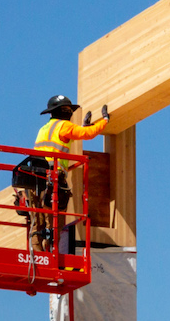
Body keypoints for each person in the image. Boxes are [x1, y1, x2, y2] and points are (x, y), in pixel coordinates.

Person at [14, 96, 110, 253]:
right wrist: (104, 120)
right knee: (54, 221)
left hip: (34, 178)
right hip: (52, 179)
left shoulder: (44, 129)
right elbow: (88, 134)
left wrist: (83, 127)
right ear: (65, 112)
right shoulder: (64, 126)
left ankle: (38, 255)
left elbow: (67, 138)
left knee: (36, 220)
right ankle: (51, 252)